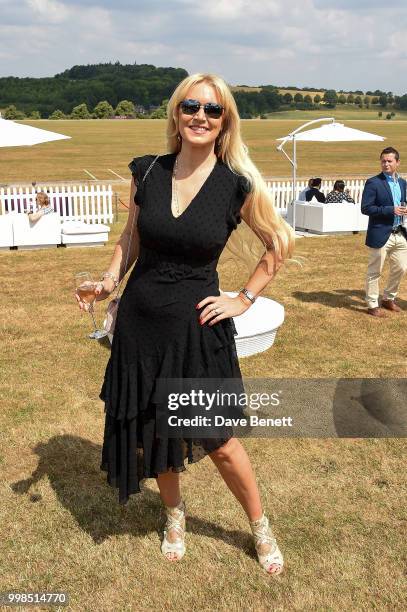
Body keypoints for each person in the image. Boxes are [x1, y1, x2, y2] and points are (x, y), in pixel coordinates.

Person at [75, 73, 294, 574]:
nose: (200, 116)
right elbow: (130, 238)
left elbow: (276, 245)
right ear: (176, 114)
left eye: (212, 111)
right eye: (190, 106)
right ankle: (174, 515)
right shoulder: (147, 171)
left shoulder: (234, 185)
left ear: (224, 123)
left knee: (217, 439)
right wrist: (108, 282)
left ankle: (259, 527)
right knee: (153, 428)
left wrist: (242, 298)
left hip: (196, 329)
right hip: (141, 323)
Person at [361, 147, 407, 317]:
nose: (386, 164)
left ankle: (388, 298)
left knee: (401, 268)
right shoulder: (373, 182)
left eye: (389, 161)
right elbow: (366, 208)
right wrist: (390, 210)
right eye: (383, 161)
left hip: (400, 233)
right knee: (375, 271)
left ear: (397, 162)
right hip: (380, 234)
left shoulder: (402, 183)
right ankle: (372, 303)